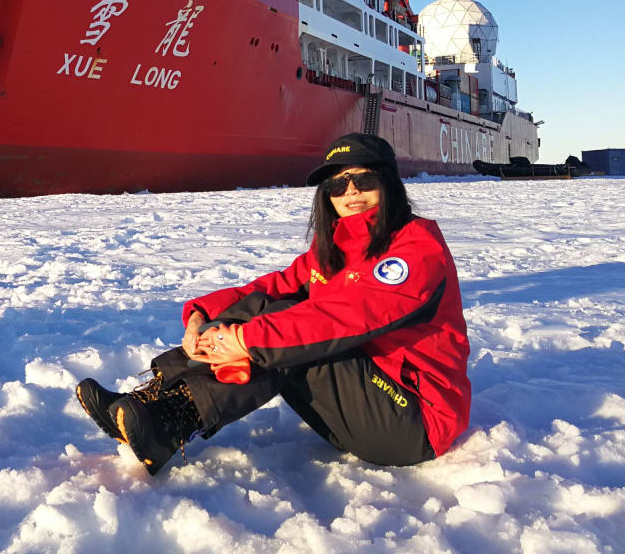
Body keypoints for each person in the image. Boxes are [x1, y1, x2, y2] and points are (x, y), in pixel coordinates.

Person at [76, 134, 471, 475]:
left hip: (413, 421)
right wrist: (202, 315)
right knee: (267, 307)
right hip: (361, 399)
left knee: (281, 331)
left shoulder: (416, 250)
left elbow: (343, 319)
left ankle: (168, 423)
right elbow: (272, 288)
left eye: (363, 179)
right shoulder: (333, 249)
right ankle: (152, 402)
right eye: (337, 185)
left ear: (389, 182)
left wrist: (245, 340)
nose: (350, 192)